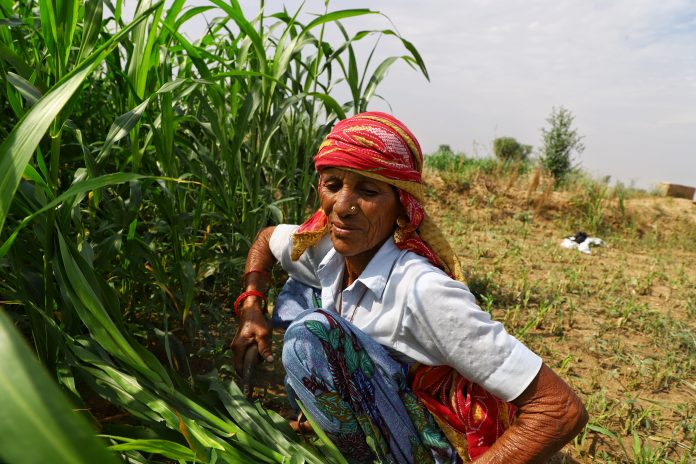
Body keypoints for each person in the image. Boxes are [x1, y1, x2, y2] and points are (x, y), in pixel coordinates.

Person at [231, 112, 588, 463]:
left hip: (436, 440)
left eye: (368, 191)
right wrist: (251, 306)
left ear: (402, 206)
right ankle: (336, 425)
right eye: (333, 184)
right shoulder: (329, 245)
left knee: (309, 336)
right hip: (392, 395)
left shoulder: (424, 291)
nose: (342, 207)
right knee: (299, 292)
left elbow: (559, 410)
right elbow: (266, 241)